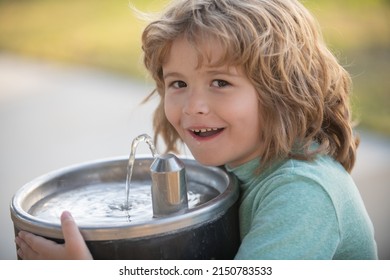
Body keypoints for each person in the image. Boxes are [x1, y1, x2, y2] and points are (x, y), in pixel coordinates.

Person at [15, 0, 377, 259]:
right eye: (178, 84)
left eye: (220, 82)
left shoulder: (302, 194)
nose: (192, 106)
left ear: (283, 92)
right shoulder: (233, 164)